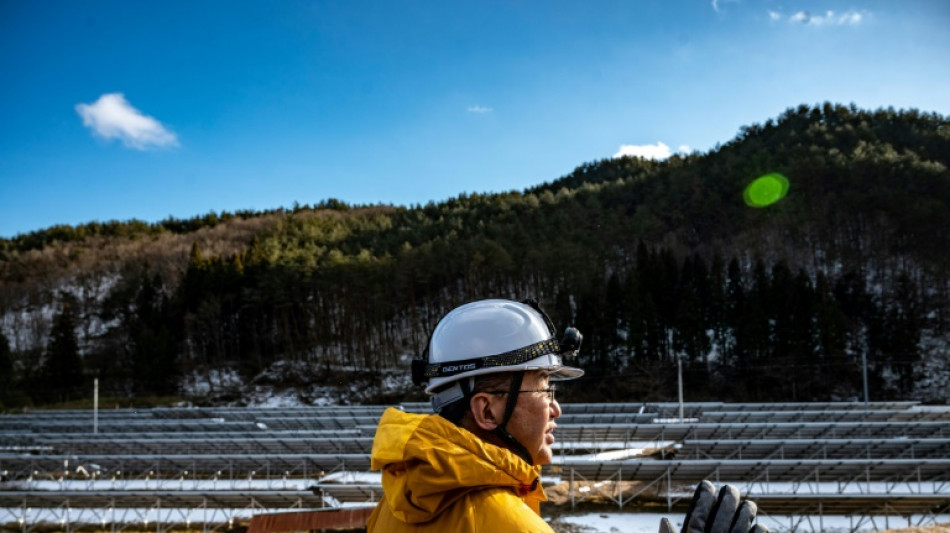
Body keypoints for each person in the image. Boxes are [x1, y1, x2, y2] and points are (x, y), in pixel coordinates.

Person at [366, 298, 767, 533]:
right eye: (543, 386)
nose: (555, 407)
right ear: (486, 409)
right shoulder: (503, 522)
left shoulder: (402, 498)